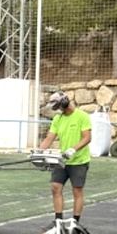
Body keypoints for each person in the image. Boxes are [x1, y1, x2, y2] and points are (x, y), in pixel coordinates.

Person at [38, 90, 91, 226]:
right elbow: (50, 138)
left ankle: (75, 222)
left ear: (65, 102)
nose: (58, 110)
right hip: (62, 160)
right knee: (55, 187)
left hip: (79, 160)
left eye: (58, 107)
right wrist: (38, 152)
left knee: (77, 190)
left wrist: (73, 149)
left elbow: (87, 137)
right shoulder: (58, 119)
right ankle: (58, 220)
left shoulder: (82, 116)